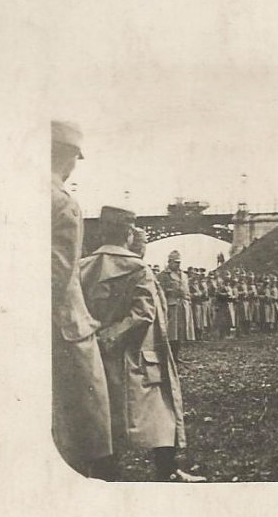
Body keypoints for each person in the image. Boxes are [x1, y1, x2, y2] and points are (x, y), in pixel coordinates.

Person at [80, 207, 204, 482]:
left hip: (95, 354)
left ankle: (106, 473)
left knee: (103, 415)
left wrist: (96, 337)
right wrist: (112, 336)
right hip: (138, 355)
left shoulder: (83, 267)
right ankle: (167, 469)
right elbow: (144, 314)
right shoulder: (138, 269)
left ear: (101, 232)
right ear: (128, 233)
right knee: (161, 411)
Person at [50, 120, 112, 478]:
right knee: (85, 415)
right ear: (69, 156)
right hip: (64, 324)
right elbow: (58, 274)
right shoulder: (61, 202)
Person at [157, 251, 196, 362]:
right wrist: (170, 293)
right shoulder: (163, 275)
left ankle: (176, 356)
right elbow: (160, 292)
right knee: (170, 333)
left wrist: (187, 299)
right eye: (175, 262)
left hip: (183, 306)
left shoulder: (183, 275)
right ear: (169, 262)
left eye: (179, 262)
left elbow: (187, 290)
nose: (178, 265)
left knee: (180, 332)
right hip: (171, 306)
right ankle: (167, 357)